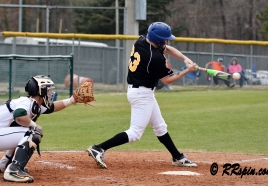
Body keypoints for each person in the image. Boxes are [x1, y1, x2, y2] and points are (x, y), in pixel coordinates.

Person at [87, 22, 198, 169]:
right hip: (142, 94)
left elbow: (167, 49)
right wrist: (186, 71)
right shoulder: (154, 58)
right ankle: (99, 148)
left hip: (141, 91)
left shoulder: (142, 40)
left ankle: (177, 157)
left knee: (160, 127)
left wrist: (184, 59)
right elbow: (167, 80)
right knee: (135, 133)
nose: (167, 42)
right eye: (165, 39)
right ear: (158, 40)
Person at [0, 75, 79, 183]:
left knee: (25, 132)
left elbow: (52, 108)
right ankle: (13, 171)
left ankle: (5, 165)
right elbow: (19, 115)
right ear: (41, 90)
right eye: (48, 90)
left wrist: (72, 100)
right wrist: (34, 125)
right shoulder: (26, 102)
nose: (50, 93)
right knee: (32, 132)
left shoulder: (34, 104)